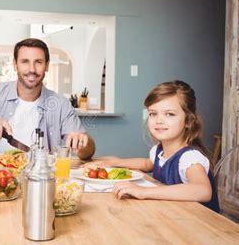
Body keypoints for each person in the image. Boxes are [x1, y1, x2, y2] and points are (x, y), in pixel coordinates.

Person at [83, 80, 219, 212]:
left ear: (189, 121)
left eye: (169, 114)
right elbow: (147, 164)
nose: (159, 120)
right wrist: (114, 162)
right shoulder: (159, 151)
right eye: (153, 114)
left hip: (202, 225)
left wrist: (144, 192)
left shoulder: (189, 158)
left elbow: (203, 190)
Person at [0, 38, 95, 160]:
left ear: (47, 66)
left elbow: (89, 153)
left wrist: (83, 143)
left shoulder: (60, 105)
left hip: (42, 181)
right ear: (15, 65)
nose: (31, 69)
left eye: (38, 62)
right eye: (25, 61)